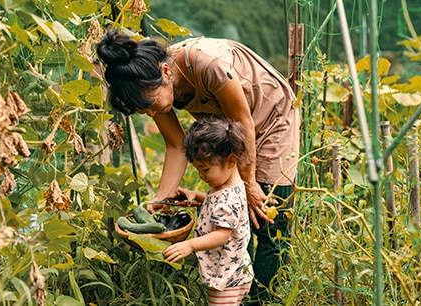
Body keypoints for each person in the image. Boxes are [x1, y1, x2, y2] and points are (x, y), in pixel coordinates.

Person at [96, 29, 300, 304]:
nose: (152, 113)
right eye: (144, 111)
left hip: (270, 117)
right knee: (238, 220)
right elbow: (175, 145)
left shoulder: (206, 63)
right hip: (231, 128)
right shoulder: (156, 89)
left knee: (268, 221)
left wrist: (249, 183)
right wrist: (161, 200)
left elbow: (244, 122)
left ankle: (264, 300)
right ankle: (239, 295)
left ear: (166, 71)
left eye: (151, 104)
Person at [163, 118, 253, 306]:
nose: (201, 175)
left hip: (226, 278)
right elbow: (218, 205)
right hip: (233, 269)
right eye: (198, 169)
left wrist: (190, 245)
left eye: (205, 169)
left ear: (230, 161)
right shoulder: (229, 187)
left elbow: (221, 234)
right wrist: (196, 195)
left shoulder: (228, 197)